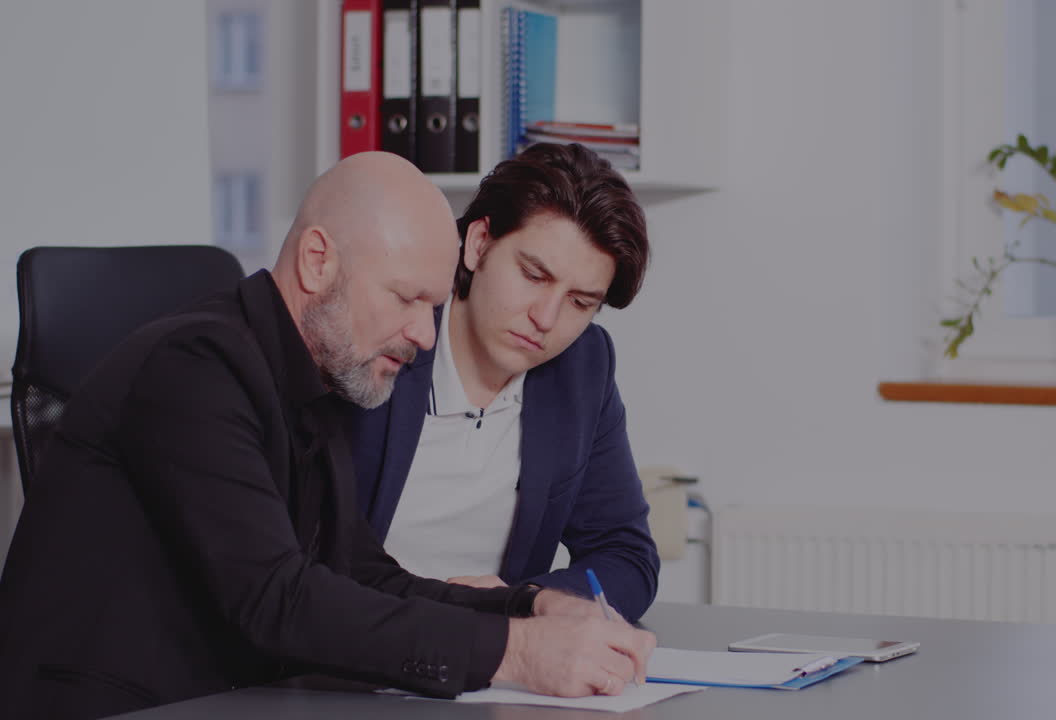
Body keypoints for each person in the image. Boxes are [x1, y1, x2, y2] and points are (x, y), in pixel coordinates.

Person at [0, 151, 655, 720]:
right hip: (118, 706)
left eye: (430, 307)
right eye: (405, 299)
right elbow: (278, 597)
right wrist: (517, 653)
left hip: (223, 699)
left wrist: (530, 607)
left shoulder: (312, 377)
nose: (425, 334)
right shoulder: (195, 366)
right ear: (318, 261)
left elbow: (360, 569)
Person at [348, 143, 658, 623]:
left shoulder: (582, 368)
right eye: (533, 275)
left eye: (580, 302)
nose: (546, 318)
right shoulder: (381, 333)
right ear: (478, 244)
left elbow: (626, 555)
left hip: (490, 672)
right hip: (353, 652)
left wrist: (531, 599)